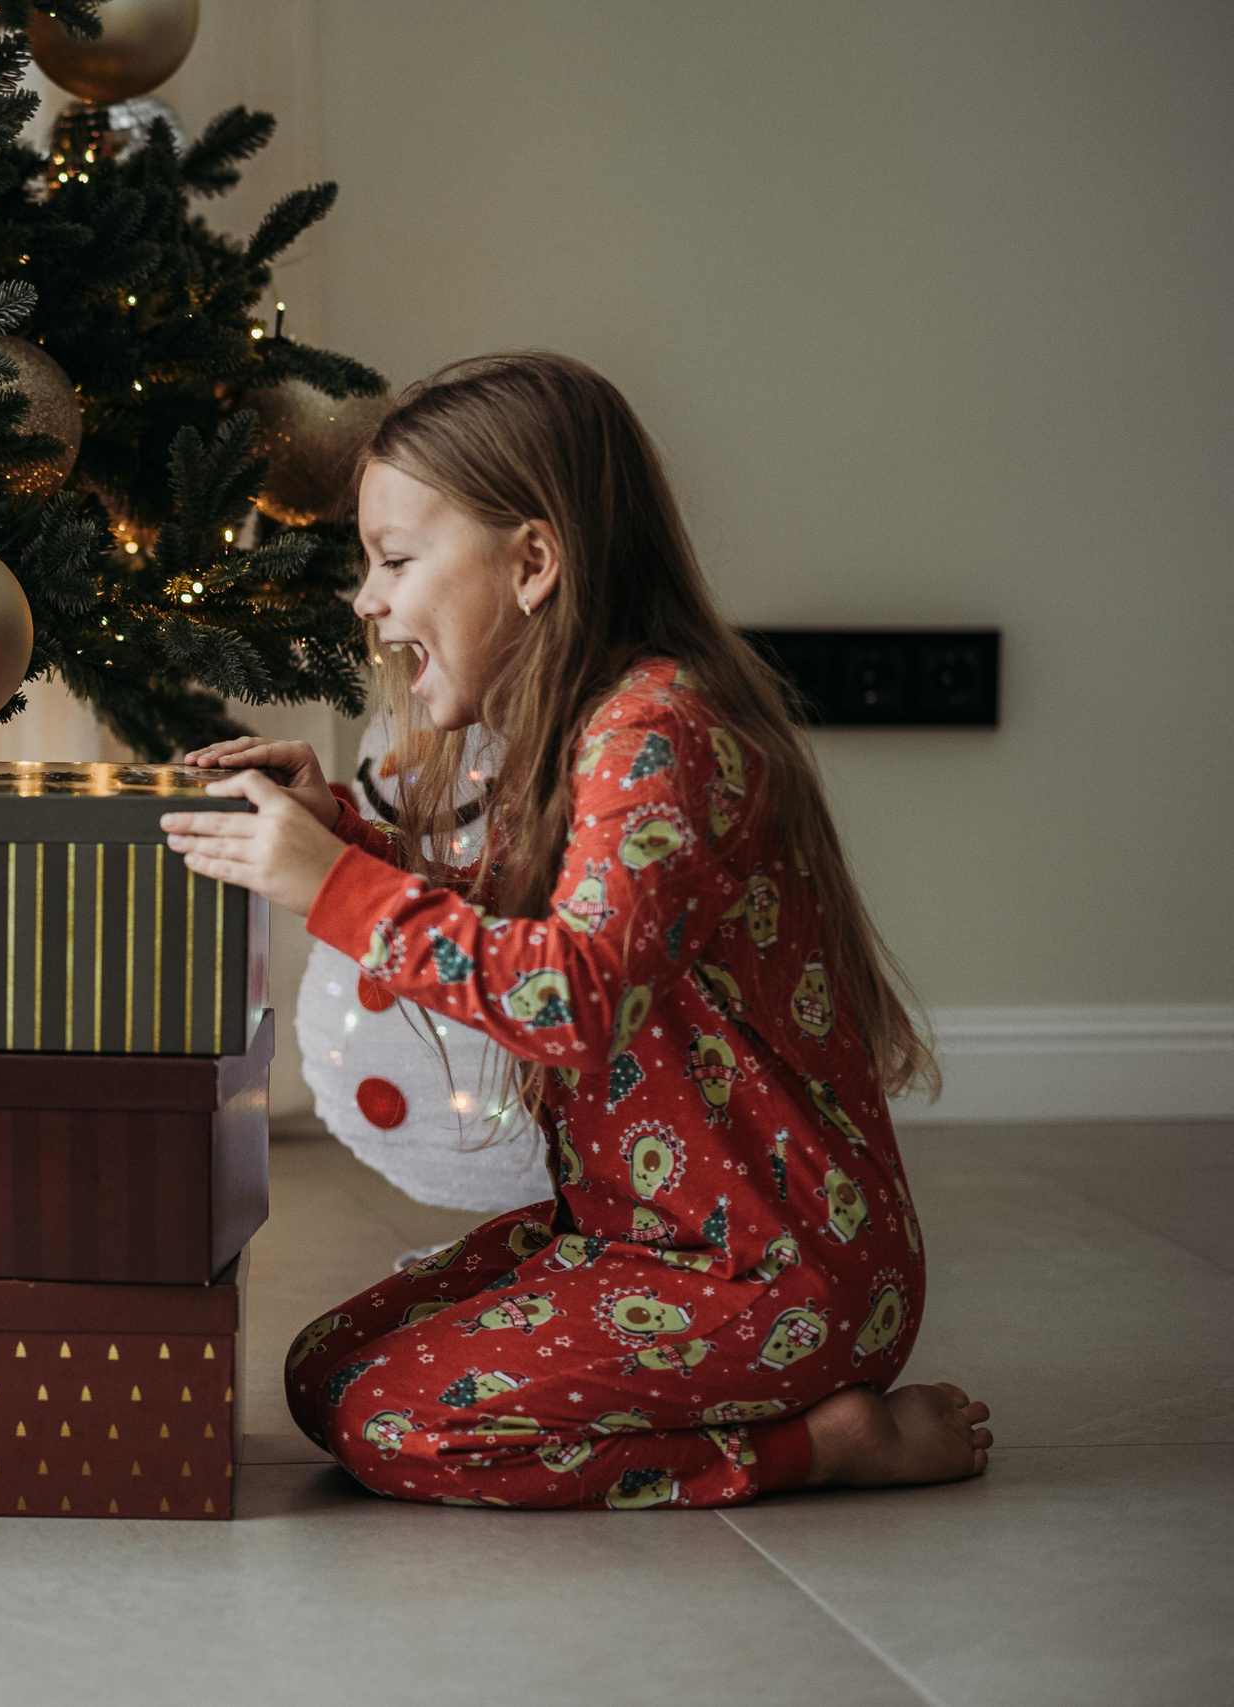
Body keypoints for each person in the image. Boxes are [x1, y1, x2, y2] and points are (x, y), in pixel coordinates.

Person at [163, 354, 989, 1509]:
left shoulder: (661, 730)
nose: (367, 599)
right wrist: (344, 833)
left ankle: (825, 1444)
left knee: (389, 1424)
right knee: (321, 1374)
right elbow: (520, 916)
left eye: (395, 561)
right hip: (630, 1238)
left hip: (769, 1275)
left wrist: (335, 890)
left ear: (534, 562)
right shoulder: (586, 728)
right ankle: (771, 1406)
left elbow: (570, 992)